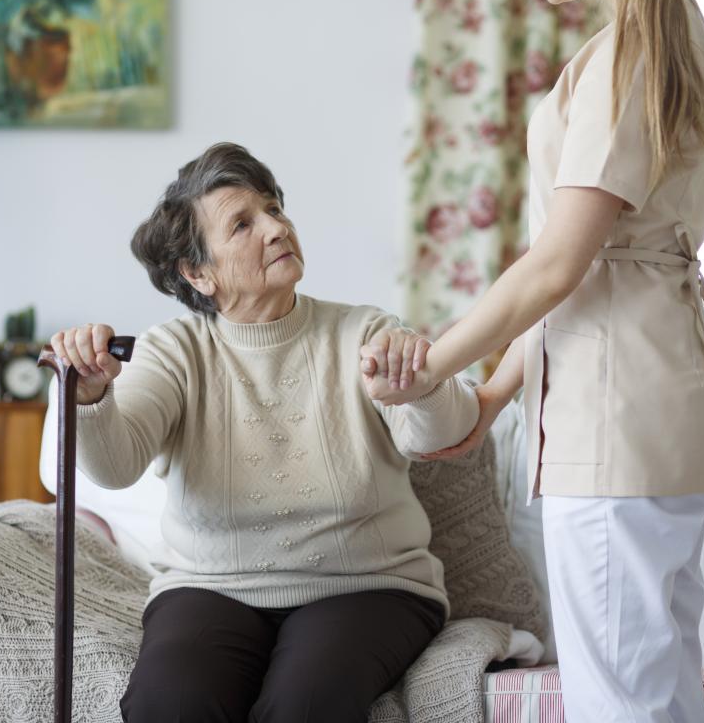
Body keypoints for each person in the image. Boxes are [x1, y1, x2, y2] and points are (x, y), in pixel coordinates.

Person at [361, 0, 704, 720]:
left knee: (620, 702)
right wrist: (494, 394)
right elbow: (588, 263)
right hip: (665, 406)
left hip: (616, 422)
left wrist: (428, 368)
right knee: (658, 691)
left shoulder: (628, 51)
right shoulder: (672, 24)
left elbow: (558, 265)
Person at [49, 142, 480, 723]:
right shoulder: (173, 350)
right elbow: (115, 467)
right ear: (197, 272)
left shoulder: (363, 332)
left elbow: (441, 435)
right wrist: (89, 397)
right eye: (243, 224)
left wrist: (420, 382)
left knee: (304, 707)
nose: (277, 228)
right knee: (168, 705)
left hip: (367, 585)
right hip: (211, 588)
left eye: (274, 209)